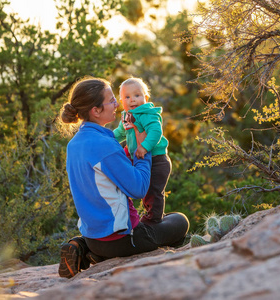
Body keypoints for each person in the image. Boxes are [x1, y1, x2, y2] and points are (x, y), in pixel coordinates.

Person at [58, 76, 189, 278]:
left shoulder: (74, 144)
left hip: (93, 236)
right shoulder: (105, 146)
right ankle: (99, 251)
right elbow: (139, 188)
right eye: (111, 100)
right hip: (123, 240)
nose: (117, 104)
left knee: (162, 220)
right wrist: (141, 149)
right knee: (179, 221)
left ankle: (83, 247)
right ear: (96, 110)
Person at [113, 77, 170, 224]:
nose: (132, 100)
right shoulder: (126, 116)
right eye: (127, 97)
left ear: (146, 97)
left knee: (153, 192)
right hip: (140, 160)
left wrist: (144, 147)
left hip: (157, 160)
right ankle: (151, 216)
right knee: (144, 192)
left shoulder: (148, 114)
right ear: (121, 101)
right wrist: (107, 139)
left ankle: (154, 219)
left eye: (137, 95)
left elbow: (155, 132)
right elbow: (120, 133)